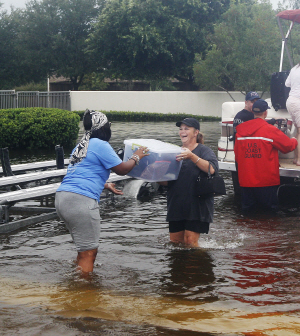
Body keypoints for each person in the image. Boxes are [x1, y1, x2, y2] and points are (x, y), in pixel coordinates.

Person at [55, 109, 149, 275]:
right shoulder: (100, 144)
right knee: (89, 252)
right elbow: (122, 169)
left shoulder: (81, 145)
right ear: (103, 127)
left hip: (63, 198)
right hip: (81, 201)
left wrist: (104, 185)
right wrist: (137, 156)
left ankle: (76, 281)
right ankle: (85, 294)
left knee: (83, 249)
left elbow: (80, 173)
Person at [161, 118, 219, 247]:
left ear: (196, 132)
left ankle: (202, 263)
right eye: (181, 129)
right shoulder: (173, 152)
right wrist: (153, 175)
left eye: (186, 128)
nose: (183, 131)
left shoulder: (204, 151)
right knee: (175, 243)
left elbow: (212, 169)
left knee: (190, 242)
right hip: (176, 203)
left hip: (198, 204)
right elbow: (167, 182)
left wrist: (192, 156)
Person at [234, 99, 298, 211]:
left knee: (248, 218)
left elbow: (238, 156)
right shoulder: (270, 130)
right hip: (266, 182)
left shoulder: (241, 131)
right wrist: (294, 140)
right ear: (265, 113)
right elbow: (288, 147)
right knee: (269, 219)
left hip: (246, 182)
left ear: (253, 112)